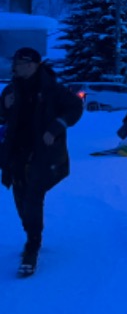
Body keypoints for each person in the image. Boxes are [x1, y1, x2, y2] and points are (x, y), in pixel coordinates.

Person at [0, 47, 83, 277]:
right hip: (16, 152)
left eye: (22, 62)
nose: (16, 66)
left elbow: (75, 107)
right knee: (20, 197)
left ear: (35, 64)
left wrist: (56, 127)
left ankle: (32, 244)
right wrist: (4, 108)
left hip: (42, 153)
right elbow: (4, 119)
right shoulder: (10, 90)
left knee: (33, 195)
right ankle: (30, 232)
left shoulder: (52, 89)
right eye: (15, 62)